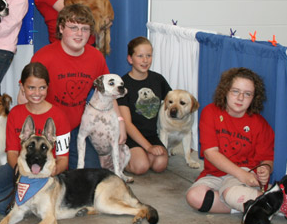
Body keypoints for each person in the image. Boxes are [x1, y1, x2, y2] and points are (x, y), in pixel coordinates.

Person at [29, 4, 125, 170]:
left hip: (75, 130)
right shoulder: (43, 56)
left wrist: (120, 122)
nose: (79, 34)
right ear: (61, 28)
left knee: (90, 175)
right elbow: (25, 96)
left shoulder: (95, 57)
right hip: (45, 129)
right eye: (73, 27)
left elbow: (109, 94)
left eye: (85, 29)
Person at [0, 62, 71, 215]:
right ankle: (24, 194)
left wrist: (53, 171)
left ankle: (32, 200)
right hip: (22, 168)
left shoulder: (59, 116)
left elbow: (63, 159)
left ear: (48, 87)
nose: (37, 93)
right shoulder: (16, 113)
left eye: (42, 87)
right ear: (22, 87)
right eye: (31, 88)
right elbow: (12, 152)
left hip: (47, 173)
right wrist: (20, 171)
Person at [185, 67, 274, 214]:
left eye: (247, 94)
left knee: (230, 192)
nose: (240, 98)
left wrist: (265, 169)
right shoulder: (210, 112)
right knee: (194, 197)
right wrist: (241, 175)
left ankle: (282, 206)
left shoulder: (260, 124)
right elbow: (210, 154)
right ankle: (245, 204)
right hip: (215, 174)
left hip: (246, 172)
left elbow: (267, 159)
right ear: (225, 91)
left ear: (254, 98)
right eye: (235, 91)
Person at [117, 37, 171, 175]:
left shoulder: (158, 79)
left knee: (160, 165)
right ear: (130, 59)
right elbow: (127, 124)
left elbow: (171, 102)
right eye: (140, 56)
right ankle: (118, 159)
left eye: (148, 55)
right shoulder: (123, 85)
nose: (145, 60)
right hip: (131, 137)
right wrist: (148, 147)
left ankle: (142, 155)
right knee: (141, 167)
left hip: (151, 135)